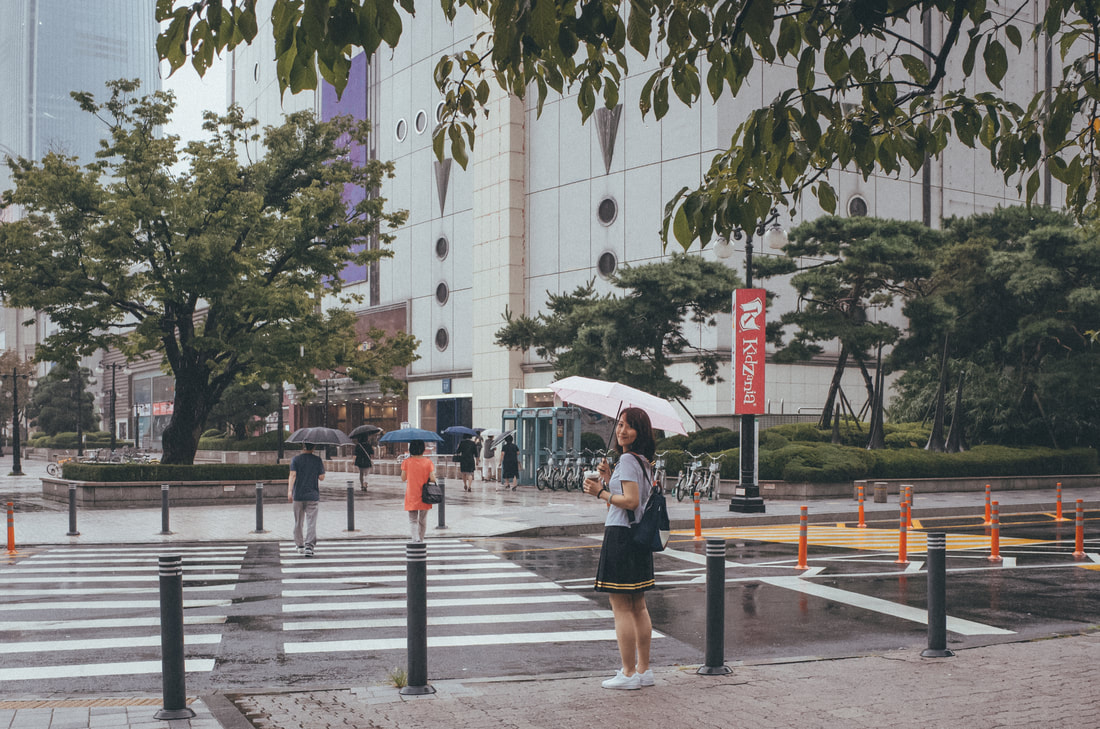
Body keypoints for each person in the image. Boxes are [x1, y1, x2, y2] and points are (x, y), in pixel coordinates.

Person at [582, 407, 656, 690]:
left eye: (630, 426)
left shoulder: (628, 458)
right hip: (637, 538)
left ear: (641, 432)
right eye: (621, 425)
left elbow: (631, 501)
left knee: (621, 607)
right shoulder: (641, 461)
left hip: (621, 538)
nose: (622, 431)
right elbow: (629, 497)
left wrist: (599, 491)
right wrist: (609, 477)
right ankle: (643, 670)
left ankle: (627, 674)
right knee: (638, 606)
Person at [288, 442, 325, 558]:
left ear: (303, 446)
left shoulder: (296, 460)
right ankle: (309, 546)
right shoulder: (317, 460)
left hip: (298, 495)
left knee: (298, 521)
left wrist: (290, 491)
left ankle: (299, 545)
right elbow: (321, 477)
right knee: (311, 522)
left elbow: (292, 475)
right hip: (312, 495)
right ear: (314, 447)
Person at [401, 439, 435, 542]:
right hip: (425, 494)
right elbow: (433, 478)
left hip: (412, 494)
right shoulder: (428, 462)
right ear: (423, 449)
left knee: (413, 519)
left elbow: (403, 478)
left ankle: (415, 539)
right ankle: (421, 538)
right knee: (423, 519)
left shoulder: (406, 462)